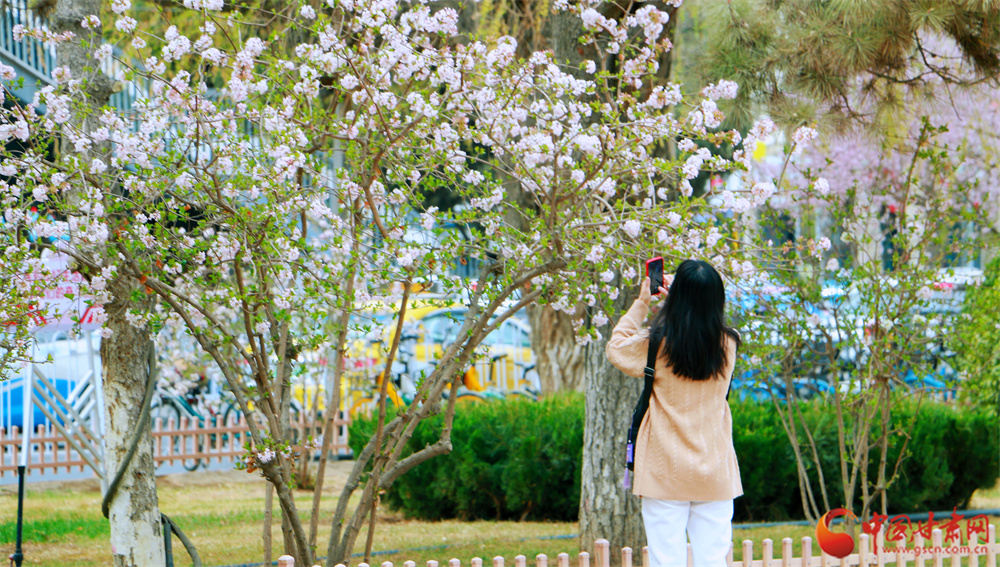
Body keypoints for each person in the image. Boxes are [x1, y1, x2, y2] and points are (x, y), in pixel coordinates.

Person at [606, 259, 743, 567]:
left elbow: (616, 348)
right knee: (713, 560)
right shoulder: (729, 343)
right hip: (714, 470)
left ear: (677, 294)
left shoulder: (656, 343)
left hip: (663, 468)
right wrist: (686, 295)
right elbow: (699, 325)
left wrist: (643, 301)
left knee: (666, 560)